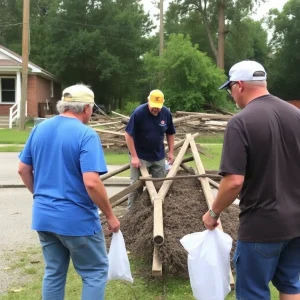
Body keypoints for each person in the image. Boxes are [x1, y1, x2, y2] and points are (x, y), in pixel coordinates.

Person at [202, 60, 300, 300]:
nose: (231, 95)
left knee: (253, 293)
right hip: (297, 224)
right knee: (291, 287)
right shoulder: (296, 115)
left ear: (239, 86)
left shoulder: (241, 122)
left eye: (230, 89)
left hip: (261, 227)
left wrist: (213, 213)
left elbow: (234, 181)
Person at [18, 84, 120, 300]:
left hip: (44, 217)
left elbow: (23, 169)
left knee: (54, 273)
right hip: (77, 220)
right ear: (86, 108)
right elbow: (92, 183)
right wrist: (110, 216)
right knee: (94, 272)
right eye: (92, 108)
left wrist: (42, 195)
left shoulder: (39, 129)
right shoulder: (86, 135)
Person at [125, 89, 176, 209]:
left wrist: (171, 152)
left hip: (158, 156)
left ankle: (154, 212)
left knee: (160, 186)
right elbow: (128, 135)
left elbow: (170, 133)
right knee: (136, 187)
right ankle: (130, 214)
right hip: (140, 156)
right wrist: (134, 156)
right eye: (153, 106)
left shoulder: (166, 114)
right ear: (148, 101)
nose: (155, 109)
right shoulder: (138, 113)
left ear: (162, 103)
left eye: (158, 107)